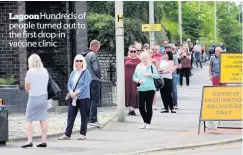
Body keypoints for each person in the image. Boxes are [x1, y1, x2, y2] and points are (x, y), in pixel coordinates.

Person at [58, 55, 92, 140]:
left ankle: (83, 134)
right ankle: (67, 134)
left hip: (83, 97)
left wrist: (76, 92)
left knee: (84, 115)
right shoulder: (73, 73)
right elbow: (69, 84)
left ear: (83, 62)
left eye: (80, 61)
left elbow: (86, 85)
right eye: (77, 61)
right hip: (73, 97)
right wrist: (71, 92)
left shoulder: (86, 72)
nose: (78, 62)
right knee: (70, 115)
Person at [22, 54, 49, 148]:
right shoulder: (45, 71)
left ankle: (29, 140)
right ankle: (44, 141)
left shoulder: (30, 72)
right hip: (44, 98)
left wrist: (32, 91)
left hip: (34, 98)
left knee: (29, 119)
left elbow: (26, 88)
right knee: (43, 119)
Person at [133, 52, 160, 129]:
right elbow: (134, 77)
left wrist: (150, 74)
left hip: (150, 88)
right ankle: (145, 121)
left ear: (149, 58)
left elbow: (157, 76)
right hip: (141, 89)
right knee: (141, 107)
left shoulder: (152, 66)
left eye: (146, 58)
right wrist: (138, 80)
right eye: (143, 58)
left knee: (148, 106)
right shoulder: (138, 66)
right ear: (141, 58)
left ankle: (148, 123)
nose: (144, 59)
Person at [81, 40, 101, 126]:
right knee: (94, 100)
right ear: (94, 46)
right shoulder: (92, 55)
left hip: (86, 80)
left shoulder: (84, 55)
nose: (98, 50)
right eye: (98, 47)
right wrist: (99, 76)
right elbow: (96, 68)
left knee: (88, 100)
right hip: (94, 80)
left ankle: (87, 120)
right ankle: (93, 119)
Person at [207, 47, 226, 130]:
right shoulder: (212, 57)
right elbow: (210, 67)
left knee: (224, 91)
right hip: (215, 75)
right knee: (216, 91)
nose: (216, 52)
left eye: (218, 51)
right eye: (215, 51)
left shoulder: (224, 57)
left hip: (224, 76)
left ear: (221, 52)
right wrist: (210, 75)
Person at [125, 45, 141, 116]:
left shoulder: (139, 60)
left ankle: (132, 109)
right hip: (126, 79)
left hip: (135, 79)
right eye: (131, 51)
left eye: (135, 51)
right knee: (127, 92)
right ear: (128, 52)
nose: (133, 53)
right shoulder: (125, 59)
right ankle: (129, 108)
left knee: (134, 93)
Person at [151, 45, 163, 110]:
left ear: (159, 49)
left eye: (157, 49)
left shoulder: (162, 56)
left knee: (163, 90)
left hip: (161, 73)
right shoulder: (151, 56)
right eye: (154, 49)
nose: (155, 50)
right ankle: (154, 104)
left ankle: (165, 104)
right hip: (153, 74)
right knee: (154, 89)